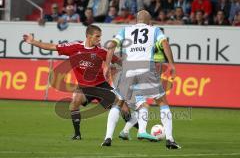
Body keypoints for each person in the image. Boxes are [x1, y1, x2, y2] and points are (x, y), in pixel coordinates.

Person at [22, 25, 130, 141]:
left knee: (124, 108)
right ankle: (77, 134)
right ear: (89, 36)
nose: (99, 39)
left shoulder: (101, 51)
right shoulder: (74, 47)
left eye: (100, 37)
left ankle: (134, 129)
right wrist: (33, 41)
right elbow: (51, 46)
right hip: (85, 88)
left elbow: (118, 61)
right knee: (75, 102)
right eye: (97, 36)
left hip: (101, 85)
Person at [104, 10, 181, 149]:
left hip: (128, 70)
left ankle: (107, 137)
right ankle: (170, 139)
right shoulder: (155, 30)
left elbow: (111, 46)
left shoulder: (125, 30)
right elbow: (165, 44)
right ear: (149, 21)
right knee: (162, 102)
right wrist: (172, 64)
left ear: (136, 21)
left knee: (118, 103)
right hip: (147, 69)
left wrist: (106, 65)